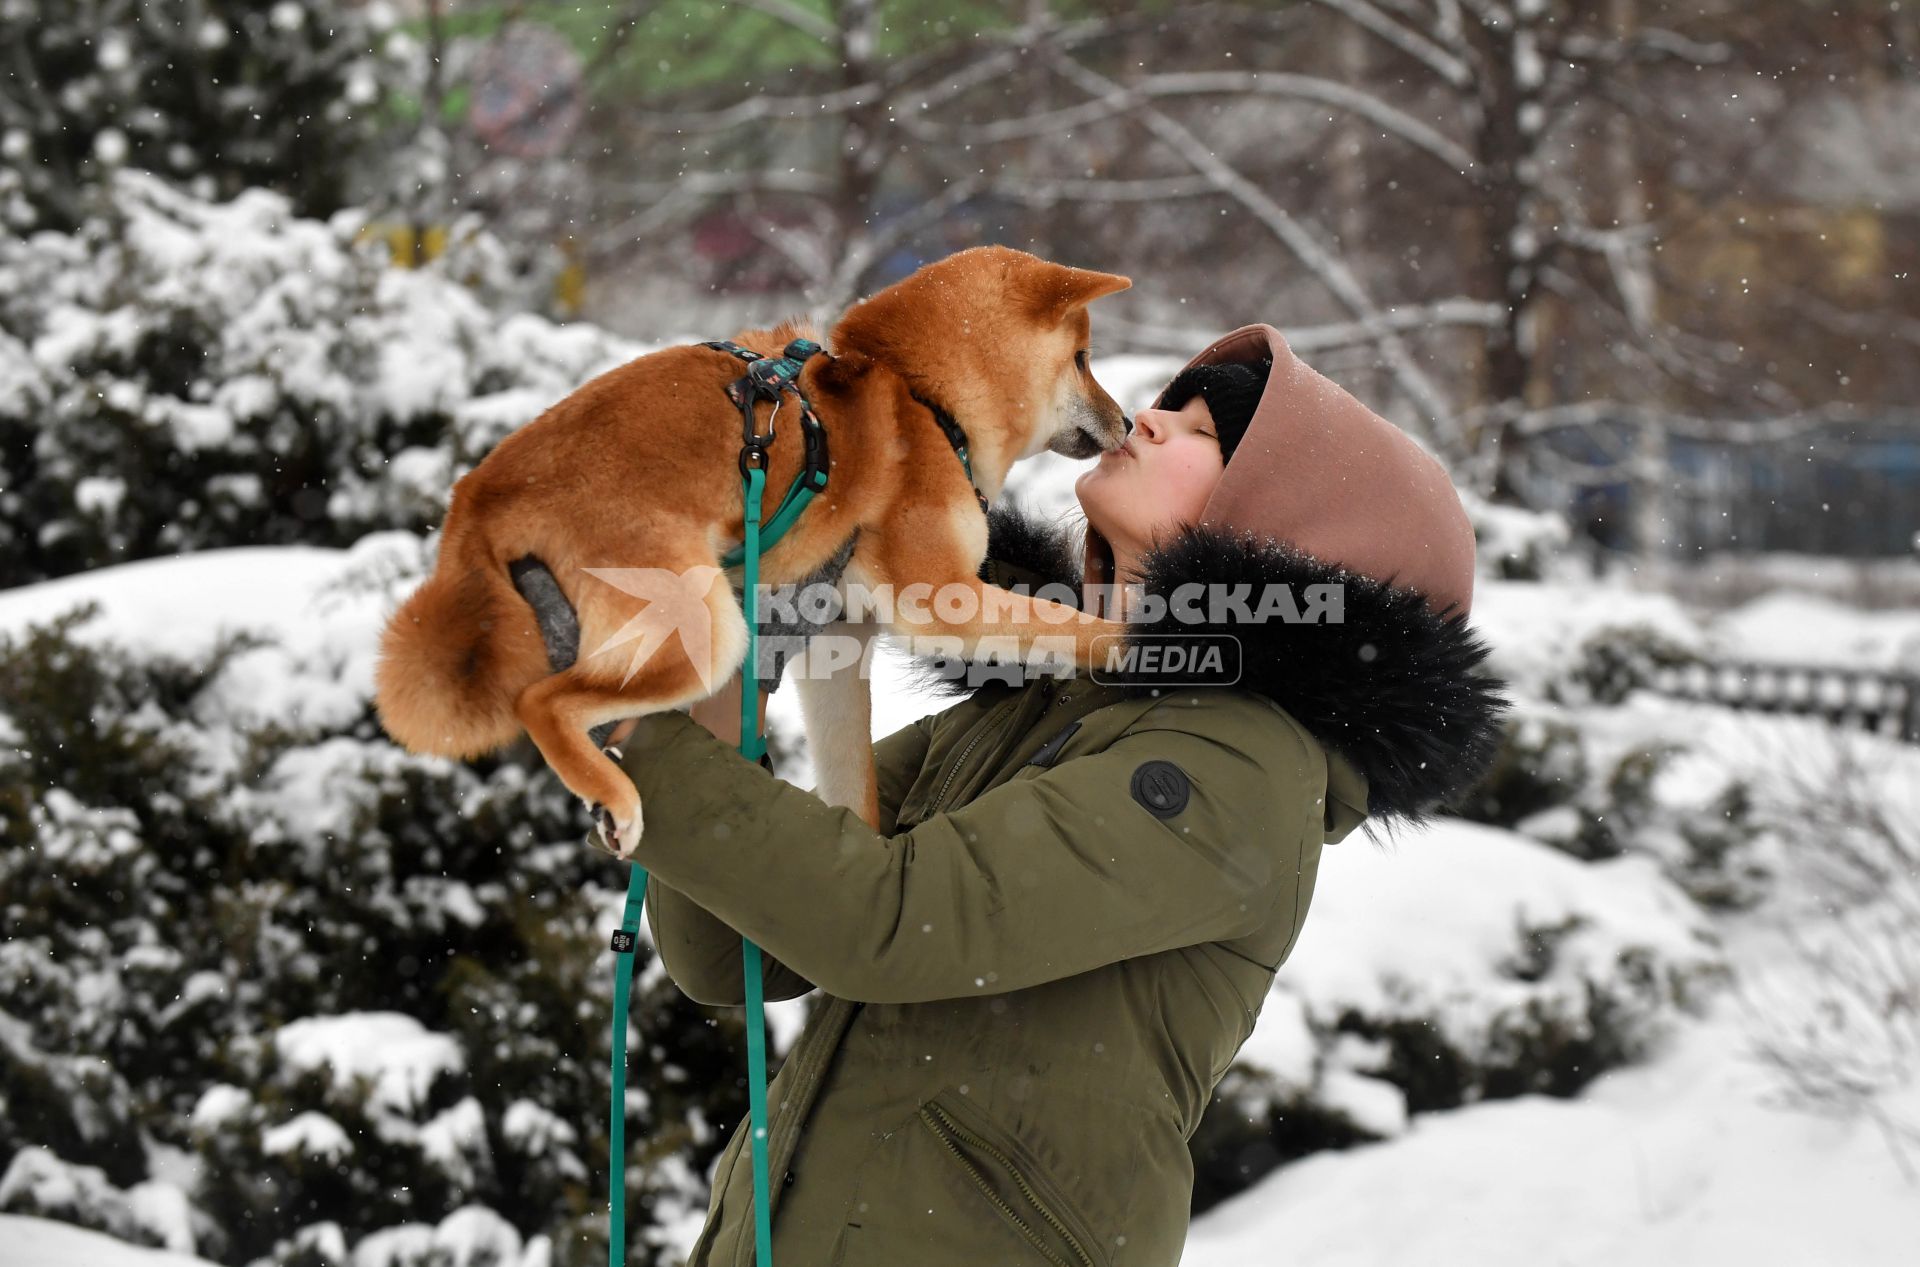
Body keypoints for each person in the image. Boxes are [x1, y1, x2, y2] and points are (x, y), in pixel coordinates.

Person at [605, 324, 1509, 1267]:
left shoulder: (1241, 763)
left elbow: (886, 921)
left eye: (1201, 433)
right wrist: (709, 683)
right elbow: (742, 954)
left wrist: (625, 732)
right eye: (1168, 404)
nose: (1149, 421)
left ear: (1282, 531)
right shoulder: (1041, 699)